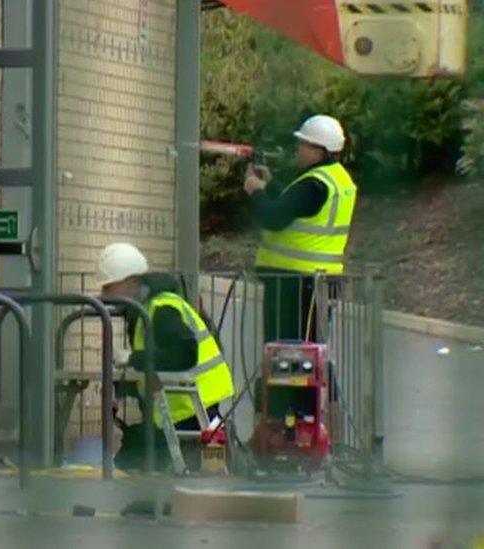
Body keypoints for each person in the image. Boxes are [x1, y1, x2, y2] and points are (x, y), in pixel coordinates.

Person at [97, 243, 235, 470]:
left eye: (109, 288)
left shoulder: (162, 309)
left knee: (134, 464)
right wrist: (120, 387)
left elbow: (184, 355)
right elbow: (158, 363)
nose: (104, 296)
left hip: (190, 406)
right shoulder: (145, 310)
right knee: (137, 459)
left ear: (131, 283)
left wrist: (133, 359)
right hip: (180, 406)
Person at [243, 114, 358, 342]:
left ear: (318, 149)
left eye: (302, 144)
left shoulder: (314, 183)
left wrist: (255, 190)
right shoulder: (335, 179)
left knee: (288, 356)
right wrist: (270, 186)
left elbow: (275, 218)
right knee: (310, 353)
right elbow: (296, 210)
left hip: (295, 285)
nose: (297, 149)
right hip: (317, 282)